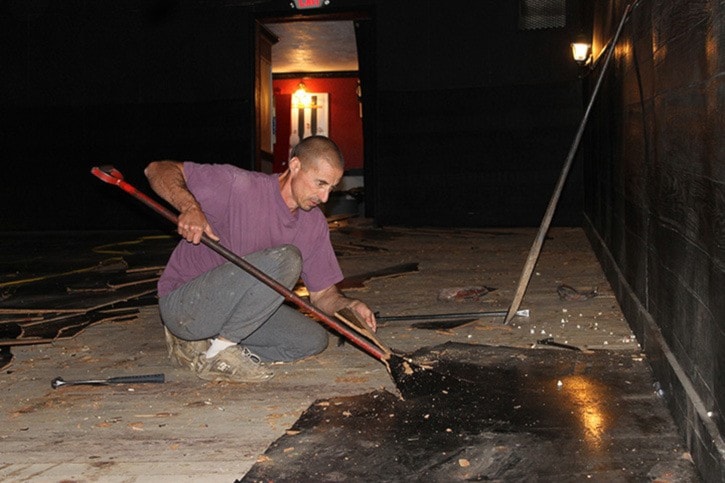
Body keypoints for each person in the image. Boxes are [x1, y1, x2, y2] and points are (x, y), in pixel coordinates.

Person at [145, 135, 376, 383]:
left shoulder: (314, 224)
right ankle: (218, 353)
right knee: (287, 258)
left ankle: (207, 347)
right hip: (186, 306)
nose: (325, 197)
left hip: (232, 314)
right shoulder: (238, 186)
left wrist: (348, 307)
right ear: (295, 165)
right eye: (320, 183)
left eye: (331, 188)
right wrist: (189, 207)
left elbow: (323, 295)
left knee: (311, 340)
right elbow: (156, 169)